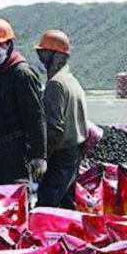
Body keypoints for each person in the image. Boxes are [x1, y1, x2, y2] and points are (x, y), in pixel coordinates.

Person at [0, 18, 47, 187]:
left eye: (0, 44)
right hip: (3, 152)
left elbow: (36, 116)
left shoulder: (21, 74)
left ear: (10, 44)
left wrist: (39, 155)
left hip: (19, 152)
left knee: (18, 195)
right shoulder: (1, 75)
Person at [36, 30, 88, 208]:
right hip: (73, 154)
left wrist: (42, 157)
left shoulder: (56, 85)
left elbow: (54, 128)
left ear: (57, 57)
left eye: (44, 55)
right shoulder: (72, 81)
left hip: (60, 156)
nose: (41, 60)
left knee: (45, 207)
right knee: (68, 207)